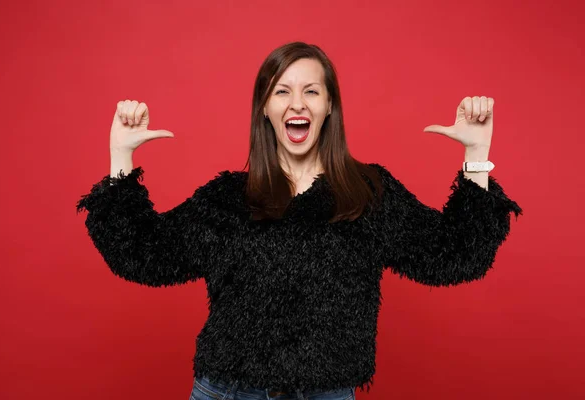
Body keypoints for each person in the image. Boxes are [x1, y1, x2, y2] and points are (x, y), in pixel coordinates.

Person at [76, 42, 523, 400]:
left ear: (330, 106)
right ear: (265, 109)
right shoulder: (229, 198)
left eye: (312, 90)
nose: (298, 103)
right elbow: (144, 256)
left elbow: (455, 256)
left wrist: (476, 156)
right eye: (282, 90)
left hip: (328, 393)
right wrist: (122, 156)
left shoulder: (369, 192)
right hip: (227, 393)